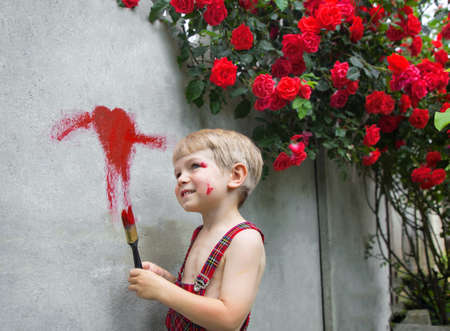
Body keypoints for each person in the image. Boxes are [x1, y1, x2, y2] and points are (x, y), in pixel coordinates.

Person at [127, 128, 266, 331]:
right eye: (177, 174)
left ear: (235, 175)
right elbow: (197, 298)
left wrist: (163, 290)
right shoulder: (200, 233)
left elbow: (228, 319)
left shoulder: (245, 239)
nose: (181, 179)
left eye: (194, 166)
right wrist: (167, 281)